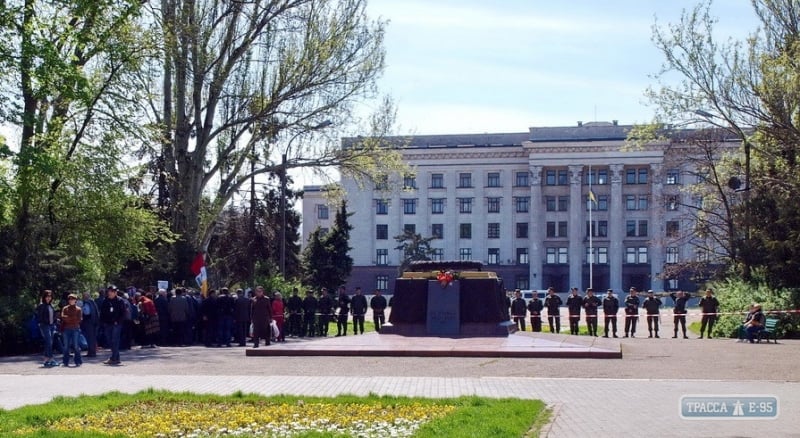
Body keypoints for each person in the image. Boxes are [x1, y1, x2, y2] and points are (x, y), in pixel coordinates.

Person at [99, 286, 126, 365]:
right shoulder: (105, 300)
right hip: (107, 324)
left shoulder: (120, 300)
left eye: (112, 292)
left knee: (115, 340)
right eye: (109, 292)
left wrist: (118, 321)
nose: (109, 293)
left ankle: (113, 358)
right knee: (110, 341)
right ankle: (116, 358)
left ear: (115, 292)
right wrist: (102, 322)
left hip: (116, 324)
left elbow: (123, 313)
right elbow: (102, 312)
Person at [35, 290, 58, 367]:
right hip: (45, 326)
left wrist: (55, 322)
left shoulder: (51, 306)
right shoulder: (42, 306)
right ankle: (51, 359)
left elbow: (53, 316)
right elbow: (39, 317)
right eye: (47, 296)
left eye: (50, 296)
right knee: (49, 342)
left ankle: (46, 359)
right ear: (44, 297)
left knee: (49, 343)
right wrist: (41, 325)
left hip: (51, 326)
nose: (48, 298)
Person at [60, 294, 83, 367]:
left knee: (76, 345)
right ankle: (65, 361)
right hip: (66, 329)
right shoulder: (65, 308)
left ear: (75, 300)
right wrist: (73, 318)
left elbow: (79, 319)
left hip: (75, 329)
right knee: (66, 346)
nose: (71, 300)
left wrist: (69, 318)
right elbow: (63, 317)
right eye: (70, 299)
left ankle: (78, 361)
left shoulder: (78, 309)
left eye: (73, 299)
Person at [79, 291, 100, 357]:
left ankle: (91, 352)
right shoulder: (93, 302)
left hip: (89, 322)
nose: (83, 297)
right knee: (93, 337)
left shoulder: (87, 303)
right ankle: (92, 352)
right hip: (94, 321)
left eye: (84, 296)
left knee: (90, 337)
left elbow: (86, 312)